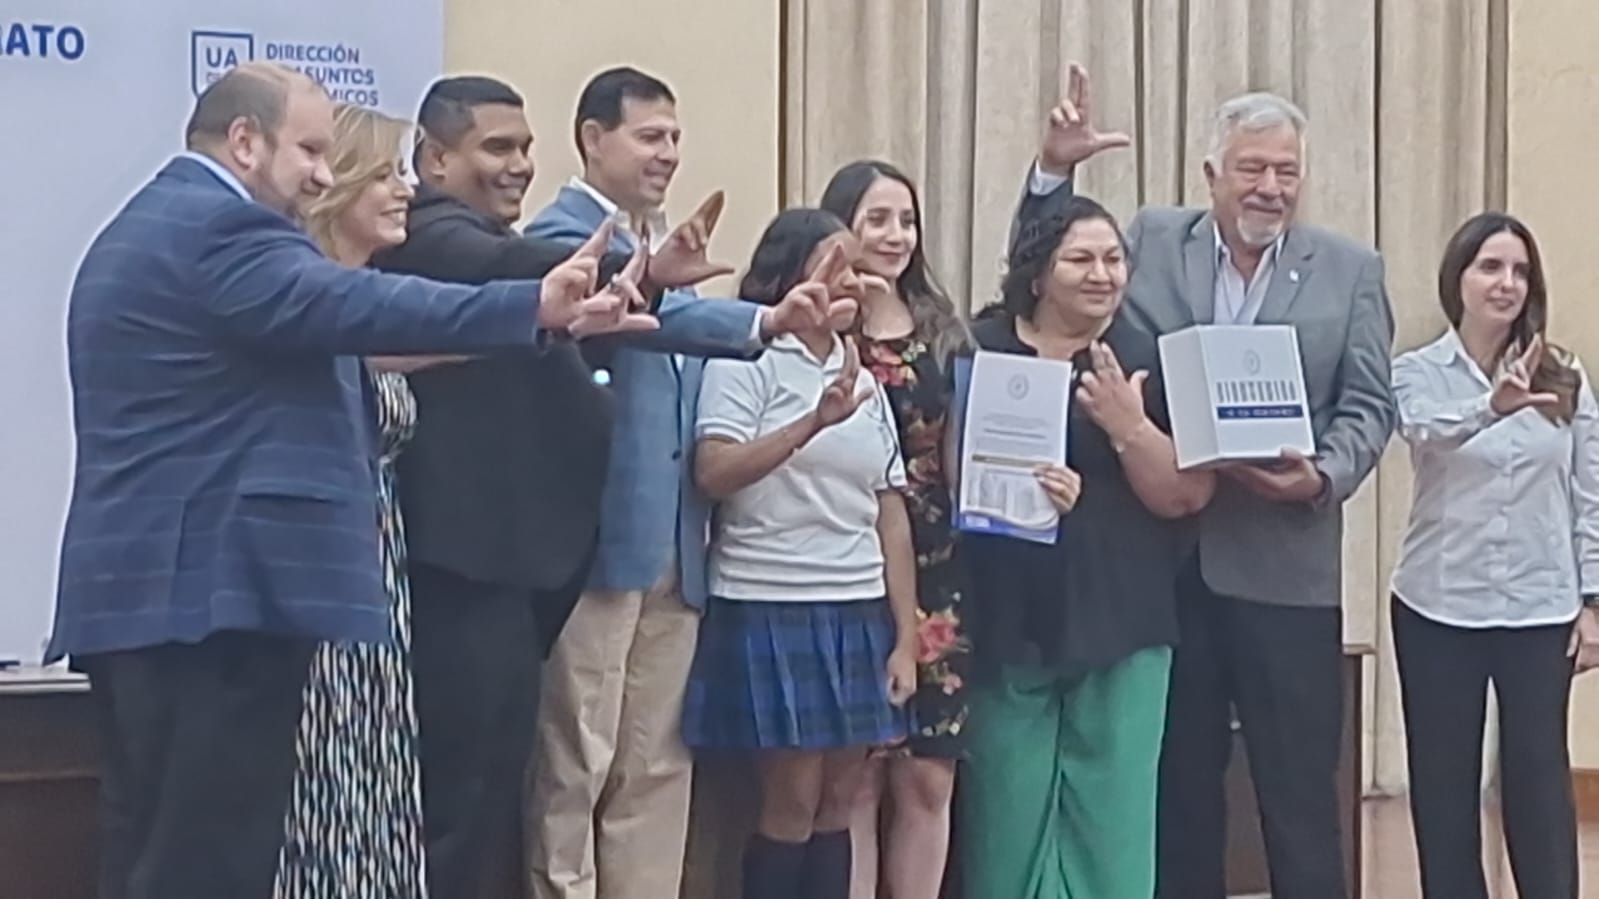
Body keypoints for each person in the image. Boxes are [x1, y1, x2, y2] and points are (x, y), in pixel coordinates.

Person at [52, 62, 647, 899]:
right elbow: (354, 306)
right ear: (245, 141)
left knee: (153, 858)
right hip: (214, 607)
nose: (323, 176)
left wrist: (532, 325)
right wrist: (526, 306)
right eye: (309, 151)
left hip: (152, 602)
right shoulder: (226, 229)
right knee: (208, 865)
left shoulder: (155, 223)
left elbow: (357, 338)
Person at [1015, 67, 1397, 899]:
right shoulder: (1152, 241)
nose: (1270, 188)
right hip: (1168, 565)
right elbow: (1048, 270)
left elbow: (1370, 405)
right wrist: (1053, 173)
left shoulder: (1349, 270)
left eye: (1286, 171)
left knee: (1299, 797)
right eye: (1251, 168)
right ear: (1211, 174)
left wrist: (1320, 476)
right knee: (1178, 794)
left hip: (1286, 571)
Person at [368, 74, 726, 899]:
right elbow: (504, 263)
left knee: (497, 795)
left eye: (525, 147)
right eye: (497, 147)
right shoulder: (435, 234)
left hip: (511, 571)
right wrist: (635, 269)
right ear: (433, 159)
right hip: (458, 572)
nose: (519, 165)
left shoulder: (499, 247)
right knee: (473, 802)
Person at [524, 66, 855, 899]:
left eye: (674, 136)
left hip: (677, 546)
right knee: (576, 759)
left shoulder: (661, 242)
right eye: (649, 136)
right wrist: (750, 313)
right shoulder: (559, 236)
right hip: (596, 547)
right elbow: (648, 316)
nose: (668, 153)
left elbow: (679, 322)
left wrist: (766, 318)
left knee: (655, 764)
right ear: (592, 139)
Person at [957, 196, 1214, 899]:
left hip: (1122, 616)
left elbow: (1187, 495)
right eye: (1080, 259)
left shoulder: (1151, 355)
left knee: (1113, 817)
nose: (1101, 274)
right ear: (1038, 272)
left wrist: (1127, 426)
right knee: (1003, 810)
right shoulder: (980, 346)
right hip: (1005, 614)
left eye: (1112, 259)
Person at [684, 208, 919, 899]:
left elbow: (889, 512)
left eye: (858, 269)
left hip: (857, 605)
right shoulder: (746, 359)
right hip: (770, 602)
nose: (852, 281)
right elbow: (713, 471)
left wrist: (905, 638)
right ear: (790, 276)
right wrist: (812, 421)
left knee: (841, 800)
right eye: (834, 265)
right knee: (790, 798)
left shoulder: (865, 376)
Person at [1390, 212, 1599, 899]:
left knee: (1538, 778)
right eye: (1490, 267)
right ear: (1458, 279)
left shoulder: (1563, 375)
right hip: (1437, 603)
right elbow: (1421, 430)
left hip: (1539, 605)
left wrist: (1593, 602)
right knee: (1443, 785)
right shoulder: (1416, 371)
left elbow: (1590, 492)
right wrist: (1490, 406)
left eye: (1519, 271)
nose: (1506, 283)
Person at [817, 160, 971, 899]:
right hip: (842, 558)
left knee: (928, 777)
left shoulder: (946, 331)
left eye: (906, 221)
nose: (895, 235)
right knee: (855, 777)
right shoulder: (813, 318)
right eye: (876, 219)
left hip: (940, 565)